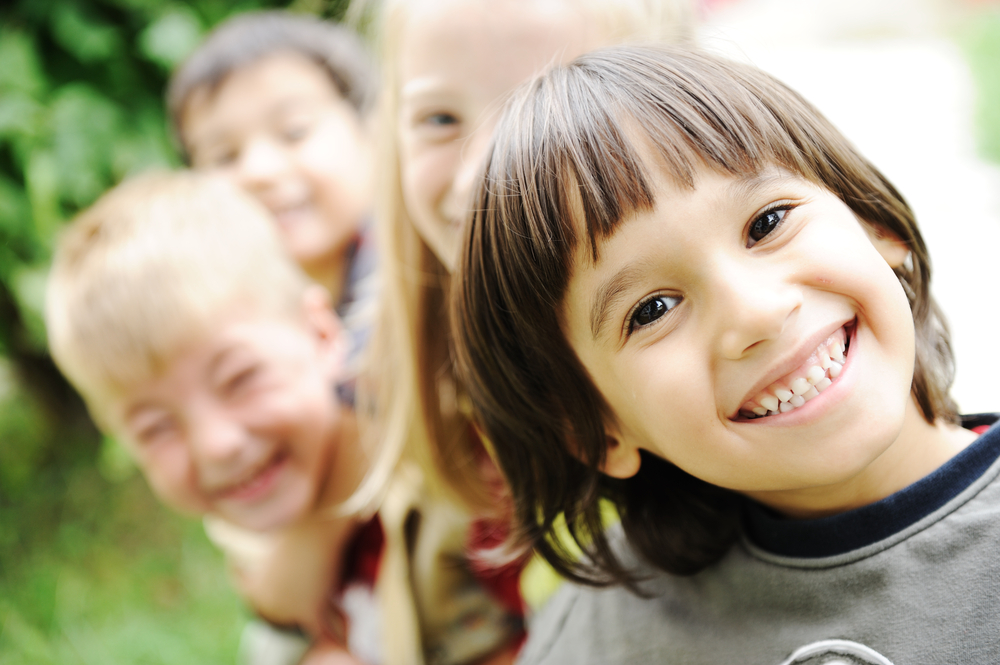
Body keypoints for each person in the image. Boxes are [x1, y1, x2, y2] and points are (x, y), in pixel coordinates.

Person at [452, 45, 1000, 664]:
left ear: (875, 223)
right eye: (652, 309)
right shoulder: (596, 644)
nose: (756, 313)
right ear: (596, 428)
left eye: (767, 222)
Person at [43, 172, 523, 665]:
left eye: (241, 379)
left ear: (321, 334)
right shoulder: (253, 533)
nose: (217, 444)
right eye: (155, 428)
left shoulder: (458, 479)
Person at [359, 0, 696, 619]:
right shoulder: (403, 383)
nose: (478, 174)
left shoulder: (726, 364)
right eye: (439, 118)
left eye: (549, 102)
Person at [166, 11, 377, 372]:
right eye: (223, 157)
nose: (259, 171)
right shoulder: (213, 325)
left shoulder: (422, 281)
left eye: (295, 132)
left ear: (371, 131)